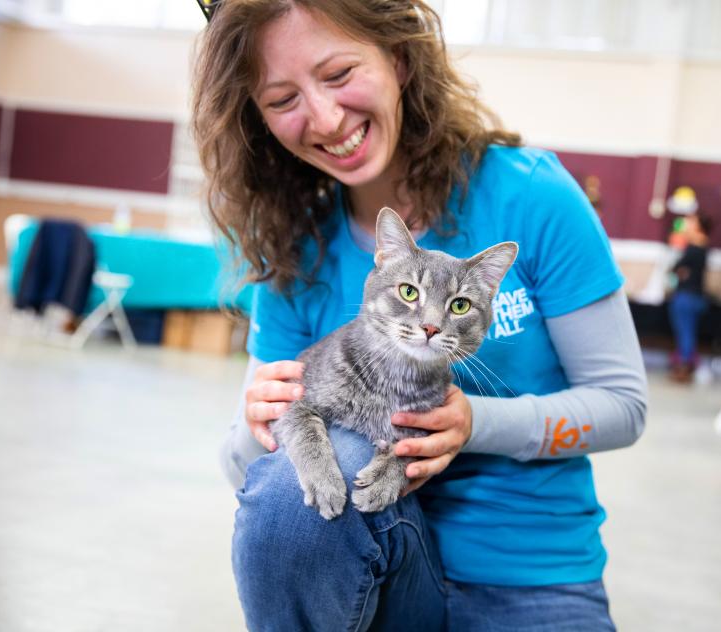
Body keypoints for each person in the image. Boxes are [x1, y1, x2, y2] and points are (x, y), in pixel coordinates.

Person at [192, 1, 648, 630]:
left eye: (338, 72)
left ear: (399, 59)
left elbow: (624, 407)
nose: (325, 118)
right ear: (260, 121)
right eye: (281, 99)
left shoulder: (532, 195)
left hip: (532, 573)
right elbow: (248, 476)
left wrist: (471, 422)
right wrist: (260, 423)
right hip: (376, 572)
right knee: (291, 498)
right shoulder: (298, 249)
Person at [667, 213, 713, 383]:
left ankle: (685, 365)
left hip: (687, 295)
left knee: (685, 331)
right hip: (694, 295)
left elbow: (678, 268)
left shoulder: (695, 246)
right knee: (688, 331)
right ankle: (685, 363)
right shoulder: (701, 246)